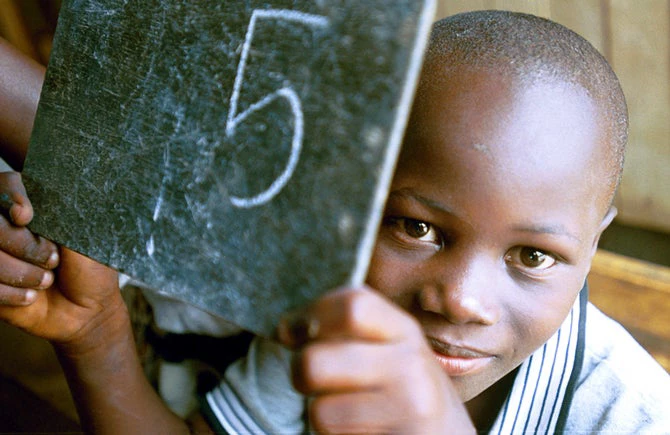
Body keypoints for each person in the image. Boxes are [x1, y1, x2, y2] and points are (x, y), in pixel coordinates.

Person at [1, 9, 670, 434]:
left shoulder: (630, 416)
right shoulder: (333, 323)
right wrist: (94, 336)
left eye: (532, 256)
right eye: (417, 228)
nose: (460, 299)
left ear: (595, 241)